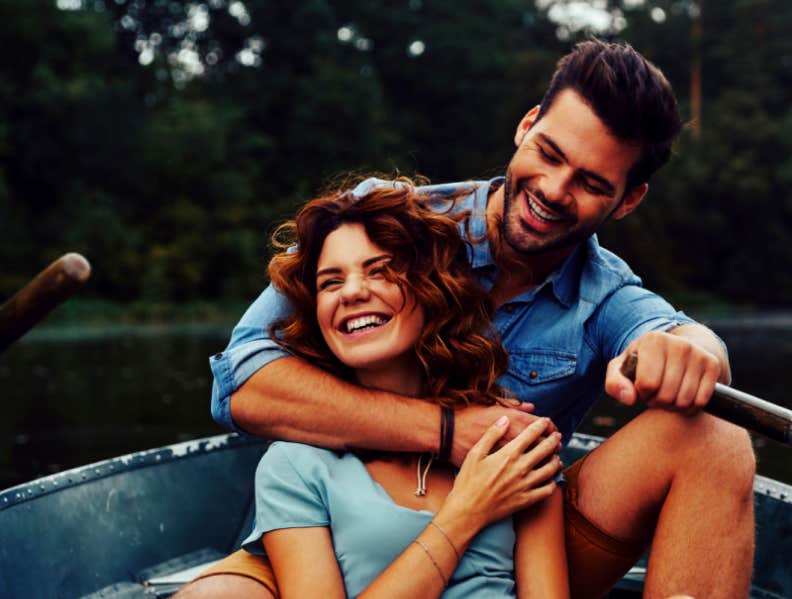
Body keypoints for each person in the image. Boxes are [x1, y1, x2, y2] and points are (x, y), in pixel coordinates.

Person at [188, 40, 756, 599]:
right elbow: (240, 381)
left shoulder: (605, 297)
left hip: (510, 542)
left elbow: (680, 336)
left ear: (628, 201)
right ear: (527, 125)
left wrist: (693, 351)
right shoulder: (389, 225)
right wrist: (446, 431)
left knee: (717, 435)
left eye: (591, 184)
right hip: (331, 537)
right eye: (551, 154)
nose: (553, 191)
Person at [240, 184, 568, 598]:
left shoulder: (510, 443)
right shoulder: (294, 466)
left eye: (379, 271)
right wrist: (466, 513)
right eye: (330, 282)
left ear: (431, 289)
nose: (353, 292)